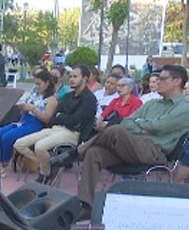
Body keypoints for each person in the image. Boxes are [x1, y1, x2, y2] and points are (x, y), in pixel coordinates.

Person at [51, 65, 189, 220]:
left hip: (155, 152)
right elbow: (127, 122)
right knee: (94, 152)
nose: (157, 82)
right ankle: (86, 205)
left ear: (177, 81)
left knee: (115, 130)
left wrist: (141, 124)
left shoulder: (185, 107)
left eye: (162, 79)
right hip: (130, 146)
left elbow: (159, 126)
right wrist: (144, 126)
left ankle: (76, 152)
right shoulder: (152, 104)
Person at [13, 65, 97, 184]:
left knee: (40, 146)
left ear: (84, 78)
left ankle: (45, 173)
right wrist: (62, 117)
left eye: (75, 76)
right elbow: (54, 117)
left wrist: (61, 117)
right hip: (55, 129)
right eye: (71, 76)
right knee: (19, 144)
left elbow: (74, 121)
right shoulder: (68, 96)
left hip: (72, 134)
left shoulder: (89, 100)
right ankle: (49, 165)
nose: (71, 79)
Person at [0, 68, 58, 167]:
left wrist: (33, 109)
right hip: (24, 120)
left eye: (39, 84)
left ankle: (4, 162)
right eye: (36, 84)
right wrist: (23, 108)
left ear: (47, 83)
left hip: (35, 124)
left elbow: (47, 119)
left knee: (7, 138)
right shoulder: (35, 94)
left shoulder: (51, 99)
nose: (37, 87)